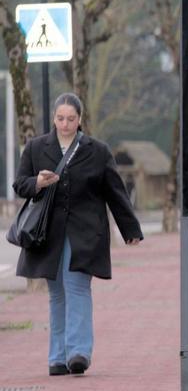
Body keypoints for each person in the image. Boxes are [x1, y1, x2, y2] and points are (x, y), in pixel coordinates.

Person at [12, 93, 142, 377]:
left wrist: (130, 229)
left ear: (80, 119)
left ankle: (78, 352)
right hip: (48, 234)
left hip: (85, 232)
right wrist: (38, 182)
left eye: (71, 119)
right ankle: (57, 357)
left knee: (77, 287)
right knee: (56, 293)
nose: (65, 124)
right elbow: (20, 185)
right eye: (60, 118)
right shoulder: (36, 148)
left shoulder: (97, 150)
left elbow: (115, 191)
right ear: (53, 118)